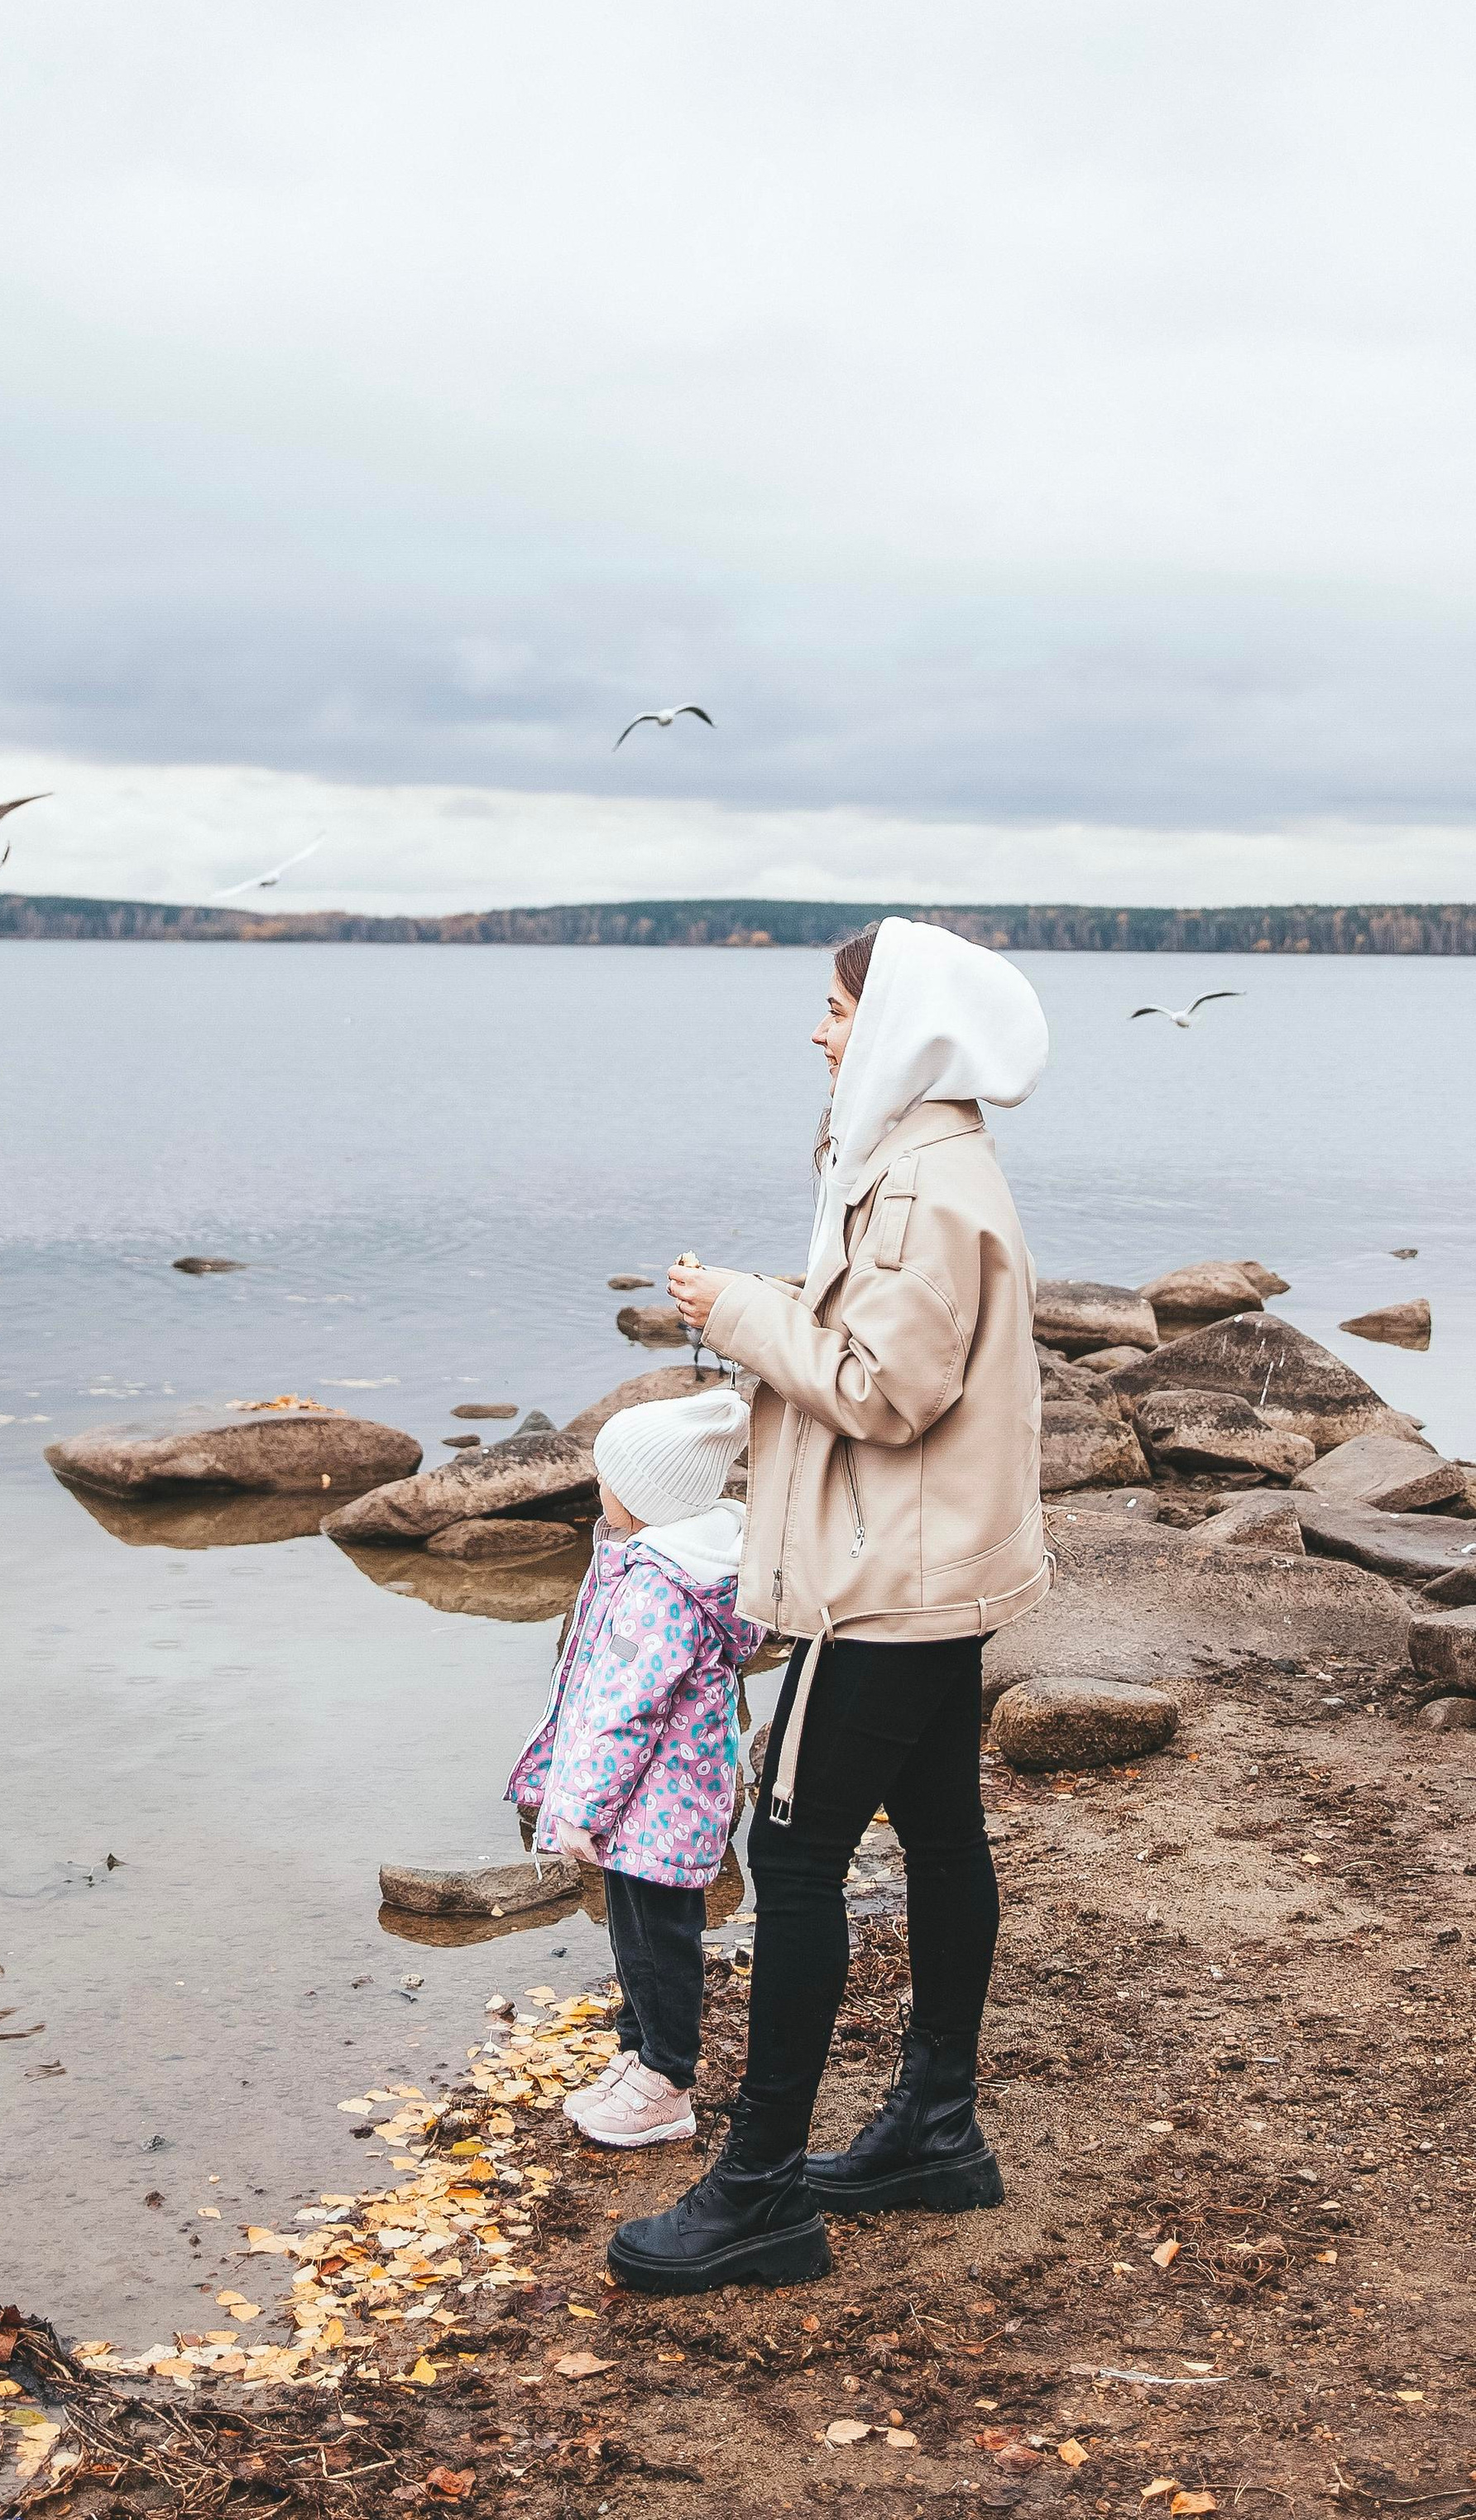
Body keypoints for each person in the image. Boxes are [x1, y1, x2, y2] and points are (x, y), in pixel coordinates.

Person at [606, 916, 1051, 2295]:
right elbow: (892, 1349)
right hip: (931, 1568)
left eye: (839, 1007)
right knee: (937, 1832)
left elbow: (882, 1390)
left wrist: (743, 1311)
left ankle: (759, 2192)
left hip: (889, 1589)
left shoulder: (922, 1185)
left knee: (793, 1859)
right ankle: (933, 2130)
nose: (820, 1029)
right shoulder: (922, 1167)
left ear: (905, 1023)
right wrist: (780, 1305)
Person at [506, 1388, 760, 2149]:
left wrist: (581, 1806)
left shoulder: (660, 1587)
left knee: (655, 1942)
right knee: (635, 1934)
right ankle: (638, 2055)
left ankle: (666, 2083)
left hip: (655, 1803)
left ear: (646, 1499)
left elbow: (627, 1711)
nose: (597, 1488)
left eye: (606, 1477)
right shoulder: (650, 1563)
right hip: (653, 1802)